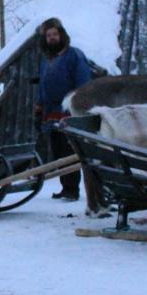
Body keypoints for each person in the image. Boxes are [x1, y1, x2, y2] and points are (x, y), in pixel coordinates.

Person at [35, 17, 92, 200]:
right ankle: (65, 187)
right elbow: (43, 85)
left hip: (68, 112)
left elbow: (83, 83)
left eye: (54, 34)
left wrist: (77, 106)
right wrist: (39, 106)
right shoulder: (46, 61)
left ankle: (73, 190)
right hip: (51, 113)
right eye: (48, 35)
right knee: (58, 151)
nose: (51, 38)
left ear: (61, 35)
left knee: (70, 151)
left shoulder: (74, 55)